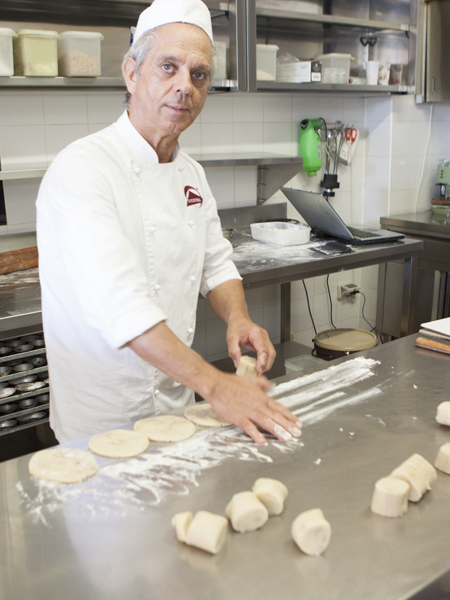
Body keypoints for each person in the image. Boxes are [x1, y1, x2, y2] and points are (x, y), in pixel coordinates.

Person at [36, 0, 301, 445]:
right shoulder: (82, 169)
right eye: (168, 67)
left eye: (198, 74)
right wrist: (218, 387)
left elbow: (216, 264)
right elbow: (123, 308)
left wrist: (238, 318)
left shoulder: (190, 173)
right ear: (132, 73)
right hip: (102, 420)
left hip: (176, 408)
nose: (185, 87)